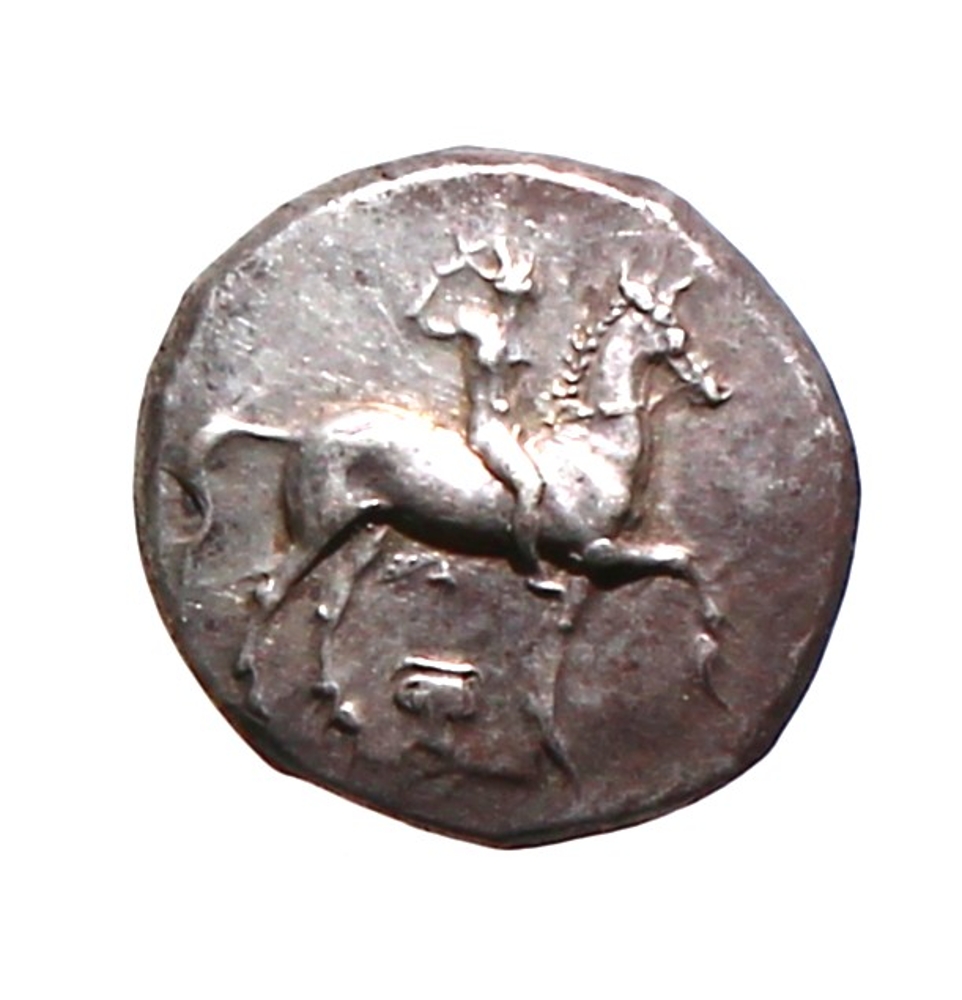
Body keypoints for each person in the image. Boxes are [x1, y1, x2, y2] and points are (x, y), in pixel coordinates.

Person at [414, 237, 563, 596]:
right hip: (486, 426)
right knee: (531, 486)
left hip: (510, 425)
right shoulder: (478, 324)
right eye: (513, 293)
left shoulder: (514, 333)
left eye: (522, 294)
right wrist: (440, 280)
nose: (518, 301)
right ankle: (529, 566)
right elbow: (425, 321)